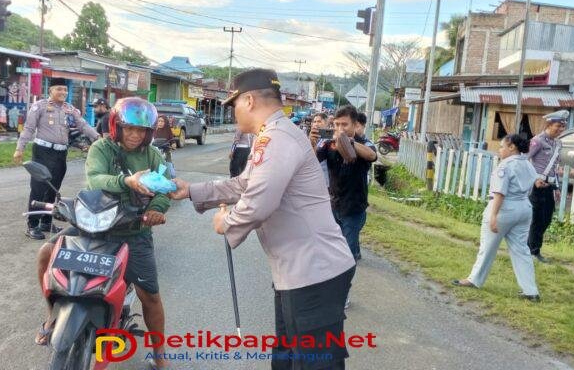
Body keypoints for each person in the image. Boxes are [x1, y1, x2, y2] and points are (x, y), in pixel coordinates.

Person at [169, 69, 356, 370]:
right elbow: (245, 185)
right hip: (297, 272)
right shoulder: (269, 136)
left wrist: (226, 222)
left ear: (250, 100)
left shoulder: (277, 138)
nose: (233, 112)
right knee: (286, 359)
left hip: (315, 273)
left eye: (235, 104)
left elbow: (257, 204)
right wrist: (192, 190)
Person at [34, 98, 173, 367]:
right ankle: (51, 315)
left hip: (133, 231)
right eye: (128, 128)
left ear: (149, 132)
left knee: (150, 296)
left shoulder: (153, 156)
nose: (134, 135)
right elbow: (95, 178)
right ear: (116, 127)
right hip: (94, 224)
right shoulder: (101, 147)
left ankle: (159, 354)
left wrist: (155, 208)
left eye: (141, 130)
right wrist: (127, 181)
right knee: (46, 253)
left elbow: (164, 189)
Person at [453, 134, 540, 301]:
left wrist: (493, 215)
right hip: (524, 208)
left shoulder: (504, 166)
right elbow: (534, 181)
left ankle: (474, 280)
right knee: (521, 250)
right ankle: (531, 291)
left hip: (505, 208)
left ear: (512, 147)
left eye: (502, 146)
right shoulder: (527, 164)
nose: (499, 150)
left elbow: (500, 193)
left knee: (488, 248)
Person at [14, 77, 99, 240]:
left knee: (53, 190)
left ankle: (46, 222)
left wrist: (98, 137)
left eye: (65, 90)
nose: (63, 92)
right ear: (51, 90)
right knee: (38, 189)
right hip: (42, 152)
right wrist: (20, 149)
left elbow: (83, 125)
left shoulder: (70, 109)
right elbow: (29, 128)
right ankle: (32, 225)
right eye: (59, 89)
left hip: (61, 154)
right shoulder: (39, 106)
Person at [317, 106, 377, 268]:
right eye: (336, 125)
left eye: (344, 125)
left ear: (355, 124)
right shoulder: (328, 142)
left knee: (346, 257)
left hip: (354, 205)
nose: (339, 129)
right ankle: (355, 252)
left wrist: (348, 141)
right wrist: (312, 139)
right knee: (336, 242)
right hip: (334, 202)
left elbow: (372, 155)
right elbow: (312, 160)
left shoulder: (364, 142)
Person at [527, 110, 568, 263]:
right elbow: (525, 160)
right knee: (537, 219)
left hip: (550, 185)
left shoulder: (558, 143)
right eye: (558, 126)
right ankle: (533, 251)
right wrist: (534, 179)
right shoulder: (538, 140)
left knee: (547, 219)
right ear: (549, 125)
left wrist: (557, 188)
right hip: (536, 185)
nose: (561, 130)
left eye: (563, 127)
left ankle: (529, 246)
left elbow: (555, 167)